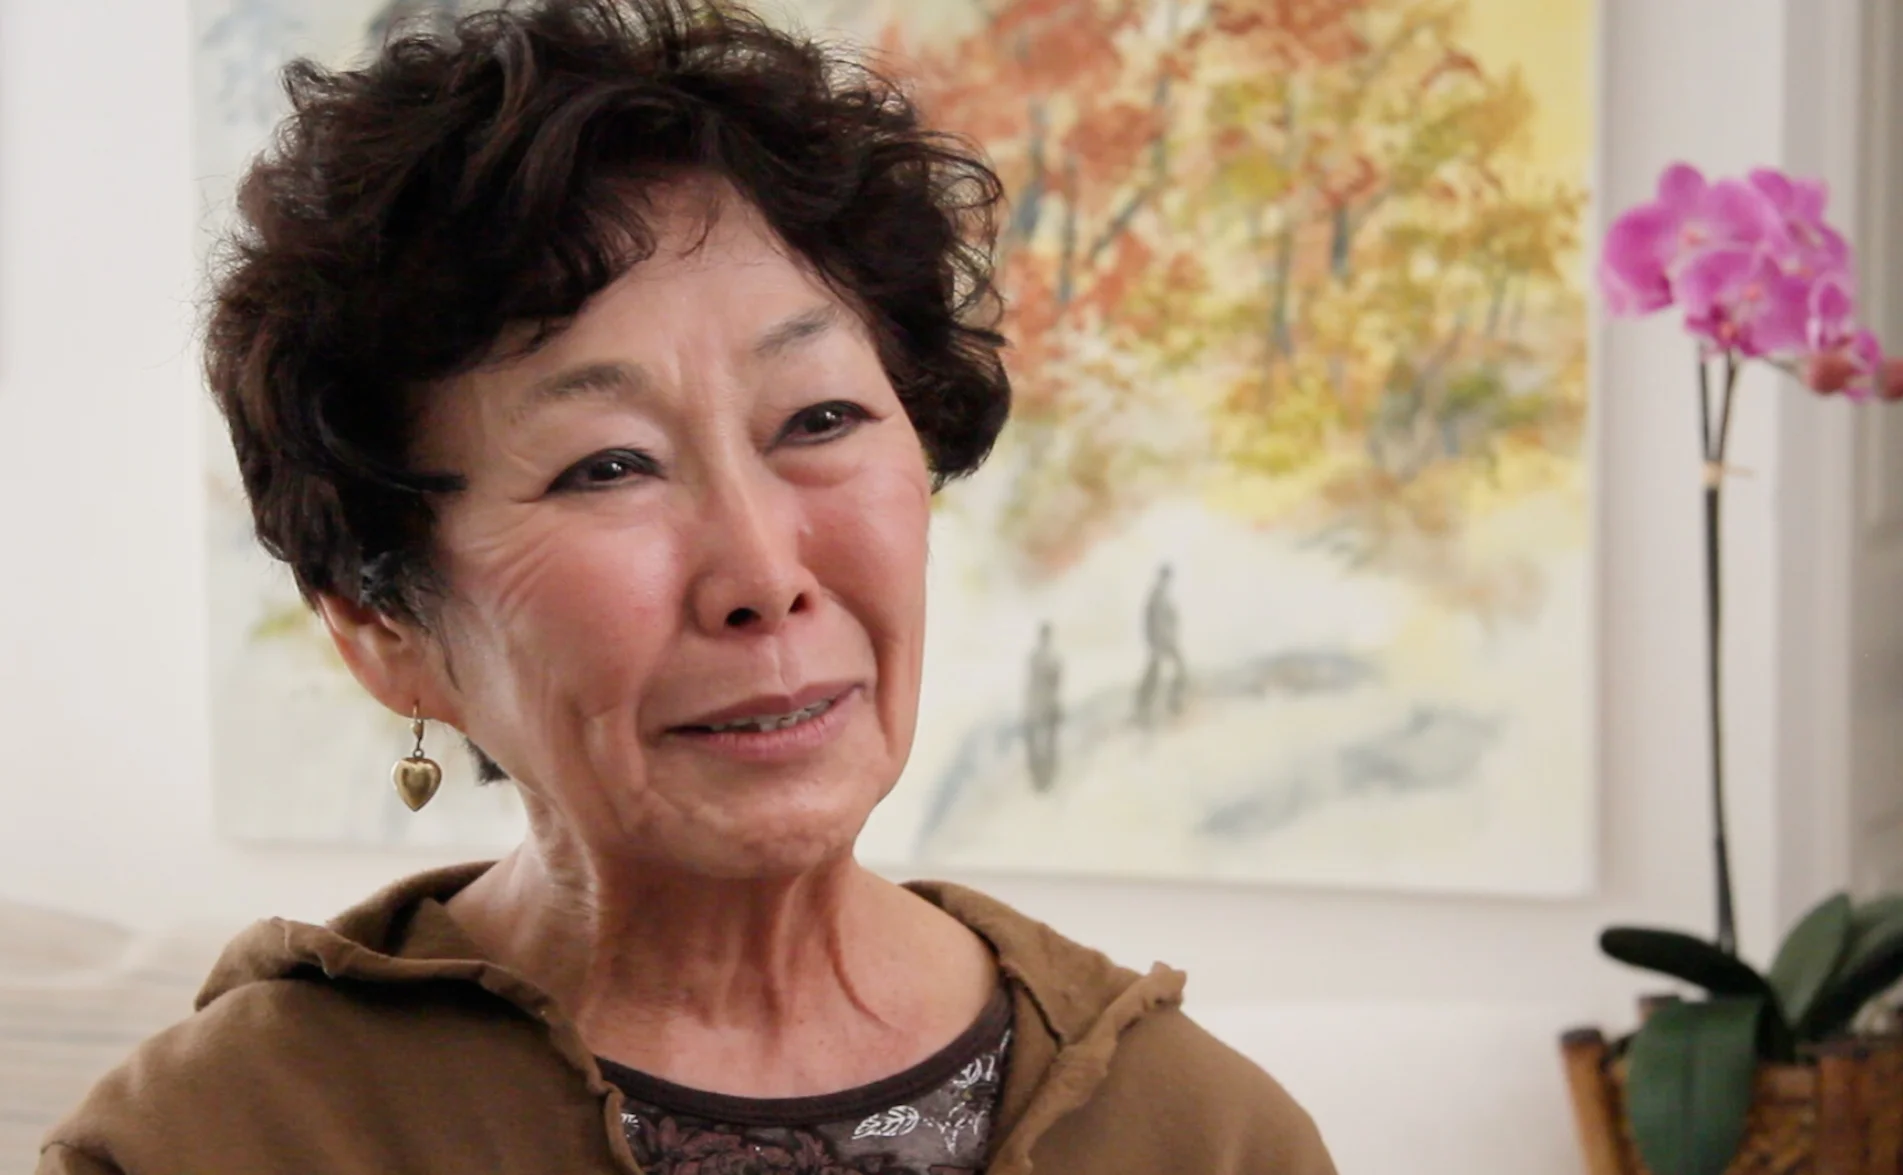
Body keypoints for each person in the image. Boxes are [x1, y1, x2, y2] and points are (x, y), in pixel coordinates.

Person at [39, 3, 1336, 1173]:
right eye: (608, 465)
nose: (764, 575)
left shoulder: (1201, 1134)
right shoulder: (219, 1139)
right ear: (384, 626)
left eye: (819, 417)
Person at [1134, 562, 1188, 726]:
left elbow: (1169, 618)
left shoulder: (1163, 595)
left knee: (1178, 670)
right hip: (1160, 642)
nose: (1167, 580)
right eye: (1165, 577)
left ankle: (1174, 703)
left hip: (1167, 640)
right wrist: (1154, 642)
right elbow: (1151, 622)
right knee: (1155, 674)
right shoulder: (1156, 596)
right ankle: (1144, 707)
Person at [1023, 622, 1062, 792]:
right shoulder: (1043, 659)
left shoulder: (1046, 659)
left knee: (1046, 745)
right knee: (1042, 745)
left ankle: (1045, 780)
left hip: (1045, 707)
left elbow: (1055, 683)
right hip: (1040, 708)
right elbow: (1051, 682)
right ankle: (1042, 781)